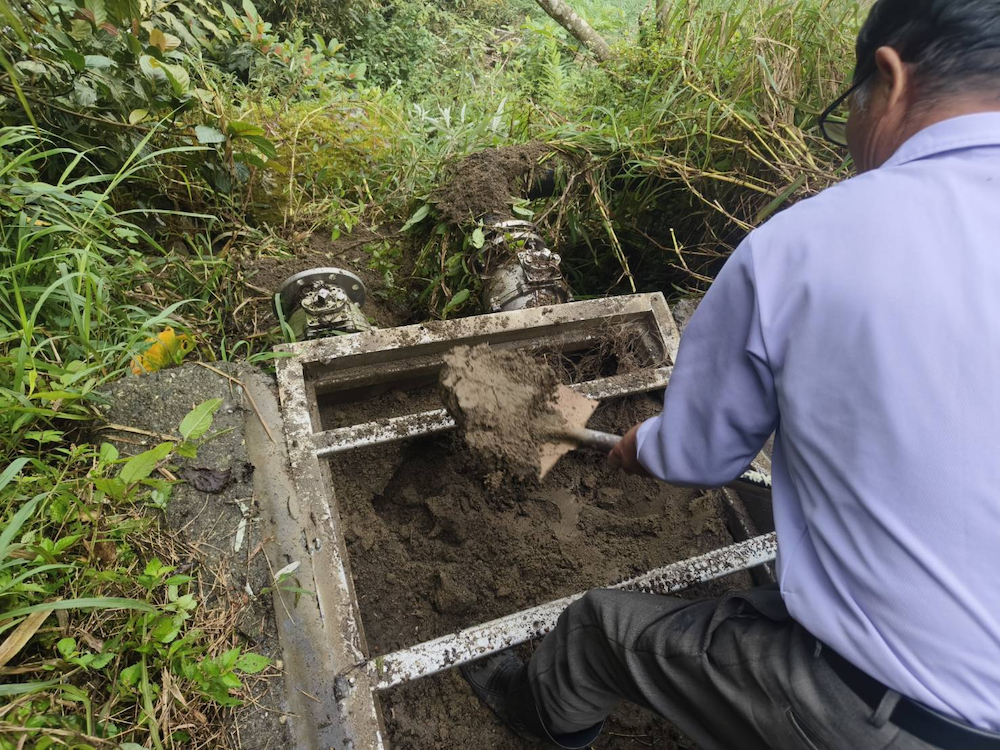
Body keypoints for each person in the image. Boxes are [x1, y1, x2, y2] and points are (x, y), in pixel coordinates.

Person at [461, 1, 1000, 748]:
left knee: (597, 629)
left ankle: (539, 718)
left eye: (852, 110)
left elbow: (701, 455)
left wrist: (638, 443)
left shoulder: (811, 243)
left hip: (905, 718)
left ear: (890, 77)